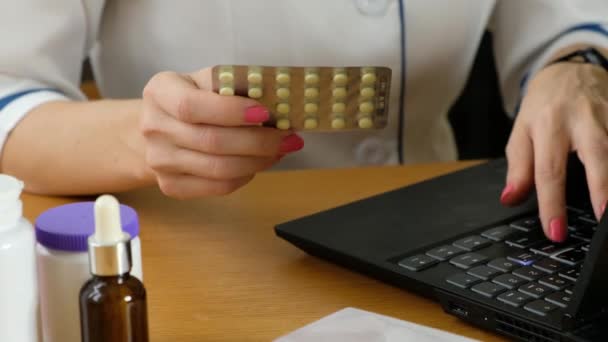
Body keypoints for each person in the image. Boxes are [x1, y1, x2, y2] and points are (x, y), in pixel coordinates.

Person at [0, 0, 607, 242]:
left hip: (435, 232)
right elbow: (10, 91)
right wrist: (145, 136)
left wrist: (577, 64)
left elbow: (565, 18)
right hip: (204, 251)